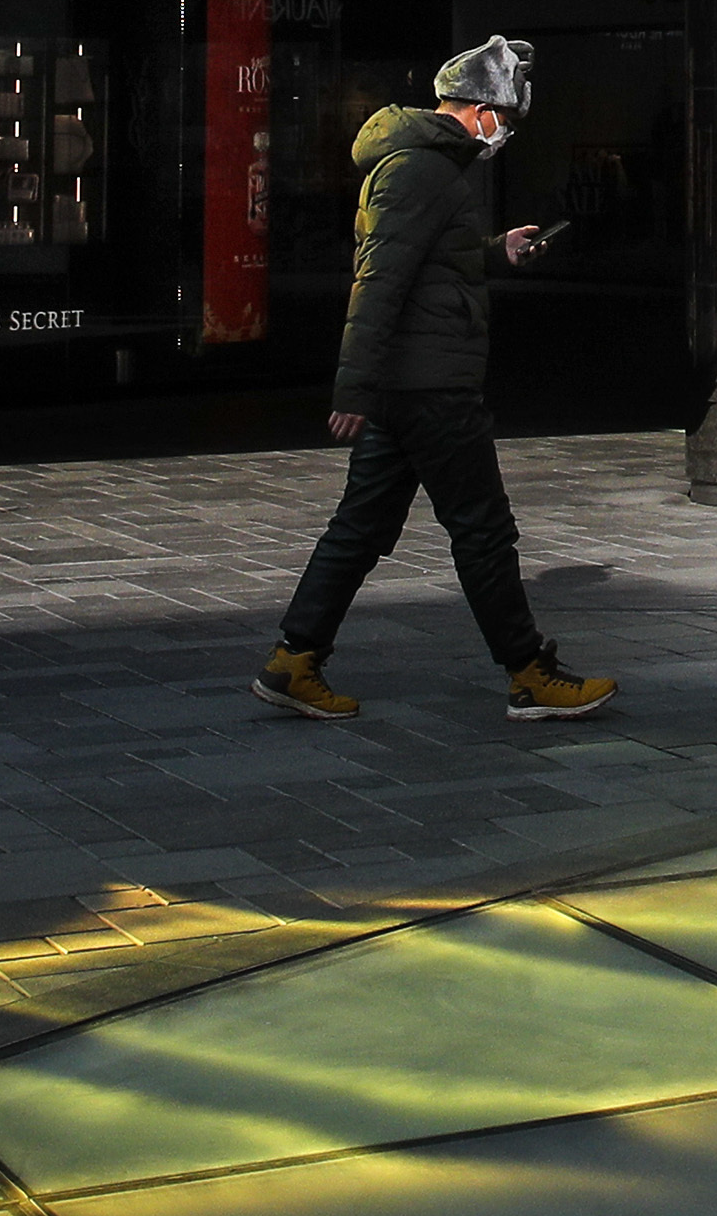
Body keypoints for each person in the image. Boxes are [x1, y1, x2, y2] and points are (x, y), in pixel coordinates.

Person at [255, 36, 619, 723]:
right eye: (506, 118)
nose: (505, 132)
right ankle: (528, 672)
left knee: (359, 528)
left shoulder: (428, 167)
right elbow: (379, 280)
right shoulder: (421, 170)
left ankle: (294, 659)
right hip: (430, 387)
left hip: (409, 384)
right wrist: (351, 389)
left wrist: (494, 252)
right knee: (483, 528)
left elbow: (427, 264)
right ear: (481, 108)